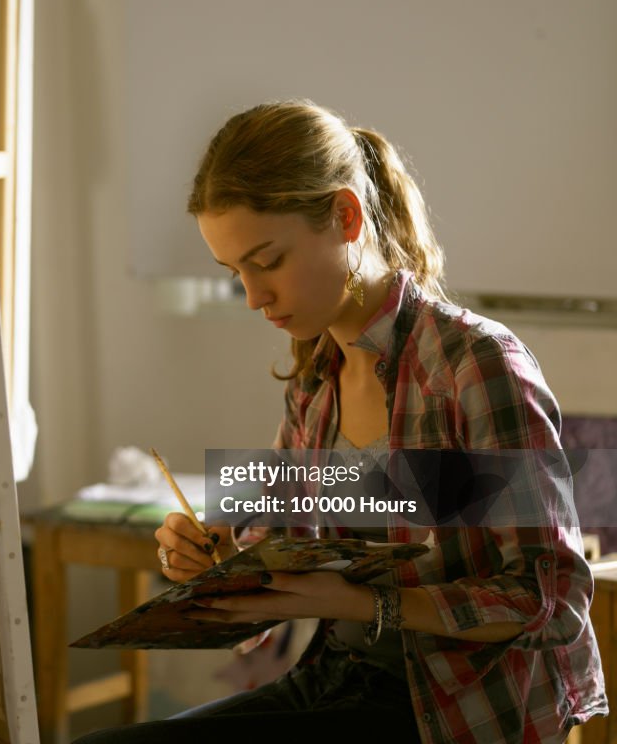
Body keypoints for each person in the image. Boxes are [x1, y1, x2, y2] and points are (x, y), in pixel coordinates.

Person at [75, 101, 607, 743]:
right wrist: (213, 564)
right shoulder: (313, 379)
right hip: (334, 682)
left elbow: (547, 602)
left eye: (267, 261)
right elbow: (277, 544)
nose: (253, 296)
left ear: (346, 216)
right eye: (234, 271)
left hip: (450, 713)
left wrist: (360, 603)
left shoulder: (477, 364)